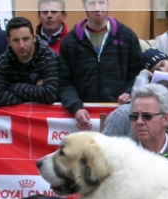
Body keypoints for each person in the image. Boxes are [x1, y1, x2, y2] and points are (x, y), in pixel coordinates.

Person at [58, 0, 144, 130]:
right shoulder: (70, 41)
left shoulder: (127, 36)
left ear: (108, 4)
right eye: (92, 3)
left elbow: (138, 73)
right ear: (84, 5)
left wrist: (129, 91)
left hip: (121, 115)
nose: (97, 8)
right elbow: (64, 81)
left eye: (101, 2)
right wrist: (76, 107)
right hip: (83, 118)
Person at [0, 17, 59, 108]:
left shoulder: (49, 57)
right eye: (16, 40)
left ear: (34, 37)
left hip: (47, 117)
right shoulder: (3, 62)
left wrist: (13, 87)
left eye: (25, 39)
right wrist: (35, 90)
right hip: (17, 120)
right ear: (9, 41)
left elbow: (50, 95)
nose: (21, 45)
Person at [102, 79, 168, 140]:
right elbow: (104, 150)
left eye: (147, 116)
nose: (139, 122)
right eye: (134, 116)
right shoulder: (122, 114)